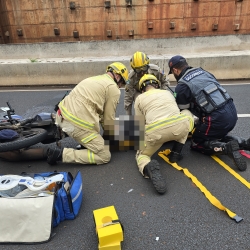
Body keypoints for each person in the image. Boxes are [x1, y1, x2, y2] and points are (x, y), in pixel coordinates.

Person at [168, 55, 250, 171]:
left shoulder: (182, 86)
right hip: (232, 111)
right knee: (217, 135)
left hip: (216, 118)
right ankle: (245, 143)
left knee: (197, 143)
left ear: (175, 70)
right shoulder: (202, 71)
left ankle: (226, 148)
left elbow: (184, 112)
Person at [44, 62, 129, 165]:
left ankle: (83, 142)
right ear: (117, 76)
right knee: (105, 155)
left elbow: (102, 117)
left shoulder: (94, 79)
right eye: (122, 83)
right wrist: (113, 139)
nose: (120, 86)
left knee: (92, 124)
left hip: (60, 116)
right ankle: (61, 154)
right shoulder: (113, 88)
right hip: (76, 125)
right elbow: (108, 120)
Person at [134, 74, 194, 194]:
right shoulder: (167, 93)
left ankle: (148, 167)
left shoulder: (139, 99)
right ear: (157, 84)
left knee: (142, 155)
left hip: (156, 133)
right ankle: (176, 152)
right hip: (178, 129)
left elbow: (139, 124)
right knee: (186, 115)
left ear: (142, 89)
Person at [124, 51, 170, 115]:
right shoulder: (131, 77)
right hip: (140, 93)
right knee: (139, 101)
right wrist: (128, 117)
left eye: (144, 68)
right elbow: (128, 98)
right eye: (138, 70)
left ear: (147, 65)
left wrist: (161, 94)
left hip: (155, 91)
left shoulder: (156, 70)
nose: (142, 73)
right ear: (134, 69)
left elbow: (165, 82)